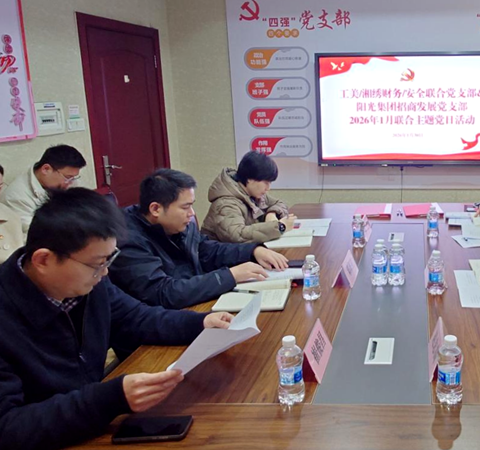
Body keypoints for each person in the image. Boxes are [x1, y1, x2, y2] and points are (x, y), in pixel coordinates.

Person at [0, 188, 234, 449]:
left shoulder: (89, 285)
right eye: (97, 263)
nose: (105, 273)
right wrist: (109, 399)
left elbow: (136, 318)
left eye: (109, 259)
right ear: (43, 260)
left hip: (87, 429)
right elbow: (8, 428)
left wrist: (199, 323)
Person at [108, 169, 289, 309]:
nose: (192, 213)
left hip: (193, 306)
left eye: (192, 206)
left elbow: (207, 250)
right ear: (156, 209)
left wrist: (253, 251)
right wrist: (230, 276)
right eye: (185, 207)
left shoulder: (177, 224)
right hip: (158, 328)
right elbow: (163, 293)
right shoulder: (127, 240)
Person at [202, 151, 295, 243]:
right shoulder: (225, 204)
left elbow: (279, 203)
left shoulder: (253, 194)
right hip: (222, 252)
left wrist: (271, 213)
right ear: (250, 179)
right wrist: (280, 227)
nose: (268, 188)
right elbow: (238, 235)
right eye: (266, 182)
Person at [0, 145, 86, 234]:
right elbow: (36, 234)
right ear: (46, 169)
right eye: (68, 177)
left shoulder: (67, 182)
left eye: (73, 178)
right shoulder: (16, 198)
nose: (71, 183)